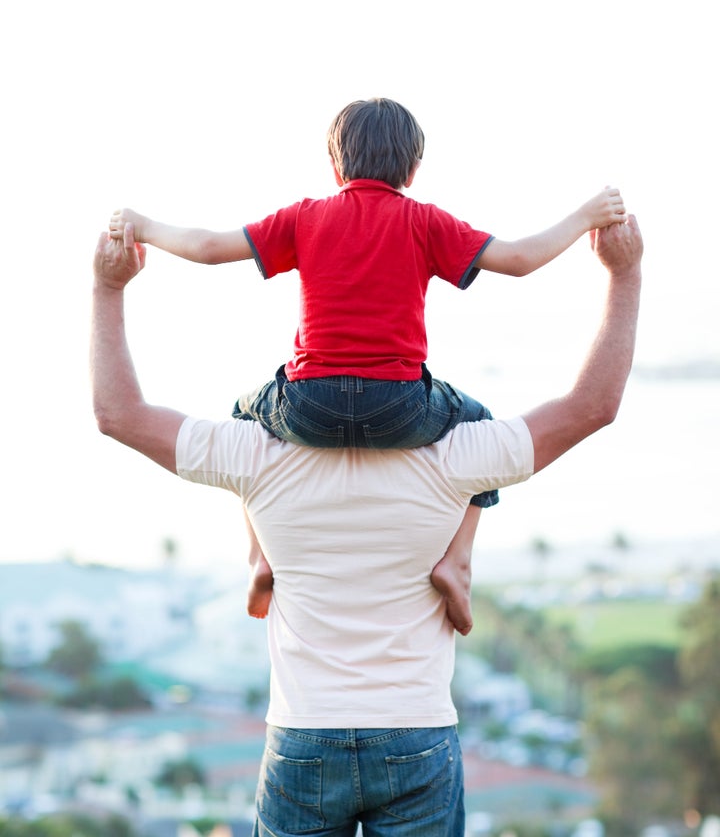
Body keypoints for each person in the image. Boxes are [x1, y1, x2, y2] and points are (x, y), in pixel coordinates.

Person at [92, 214, 642, 837]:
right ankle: (454, 560)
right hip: (417, 731)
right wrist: (624, 274)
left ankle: (259, 557)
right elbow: (591, 405)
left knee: (239, 424)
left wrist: (108, 288)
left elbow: (120, 414)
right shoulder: (456, 453)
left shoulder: (254, 452)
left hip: (303, 735)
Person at [108, 97, 627, 631]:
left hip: (309, 407)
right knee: (479, 419)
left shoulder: (306, 216)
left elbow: (208, 246)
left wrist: (144, 226)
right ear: (414, 169)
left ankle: (260, 555)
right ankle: (458, 558)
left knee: (244, 412)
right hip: (399, 409)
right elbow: (519, 259)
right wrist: (586, 215)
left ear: (335, 166)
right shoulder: (425, 221)